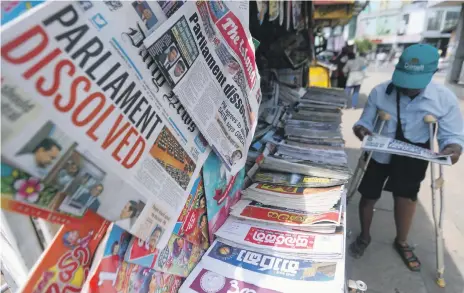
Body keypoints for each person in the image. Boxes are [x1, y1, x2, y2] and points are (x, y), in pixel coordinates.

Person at [349, 44, 464, 271]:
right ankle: (364, 236)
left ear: (431, 75)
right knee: (368, 195)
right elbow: (363, 122)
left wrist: (453, 149)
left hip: (415, 153)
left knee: (406, 197)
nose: (407, 88)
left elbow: (453, 136)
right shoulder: (381, 92)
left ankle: (401, 241)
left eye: (415, 84)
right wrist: (362, 131)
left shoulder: (444, 99)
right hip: (380, 150)